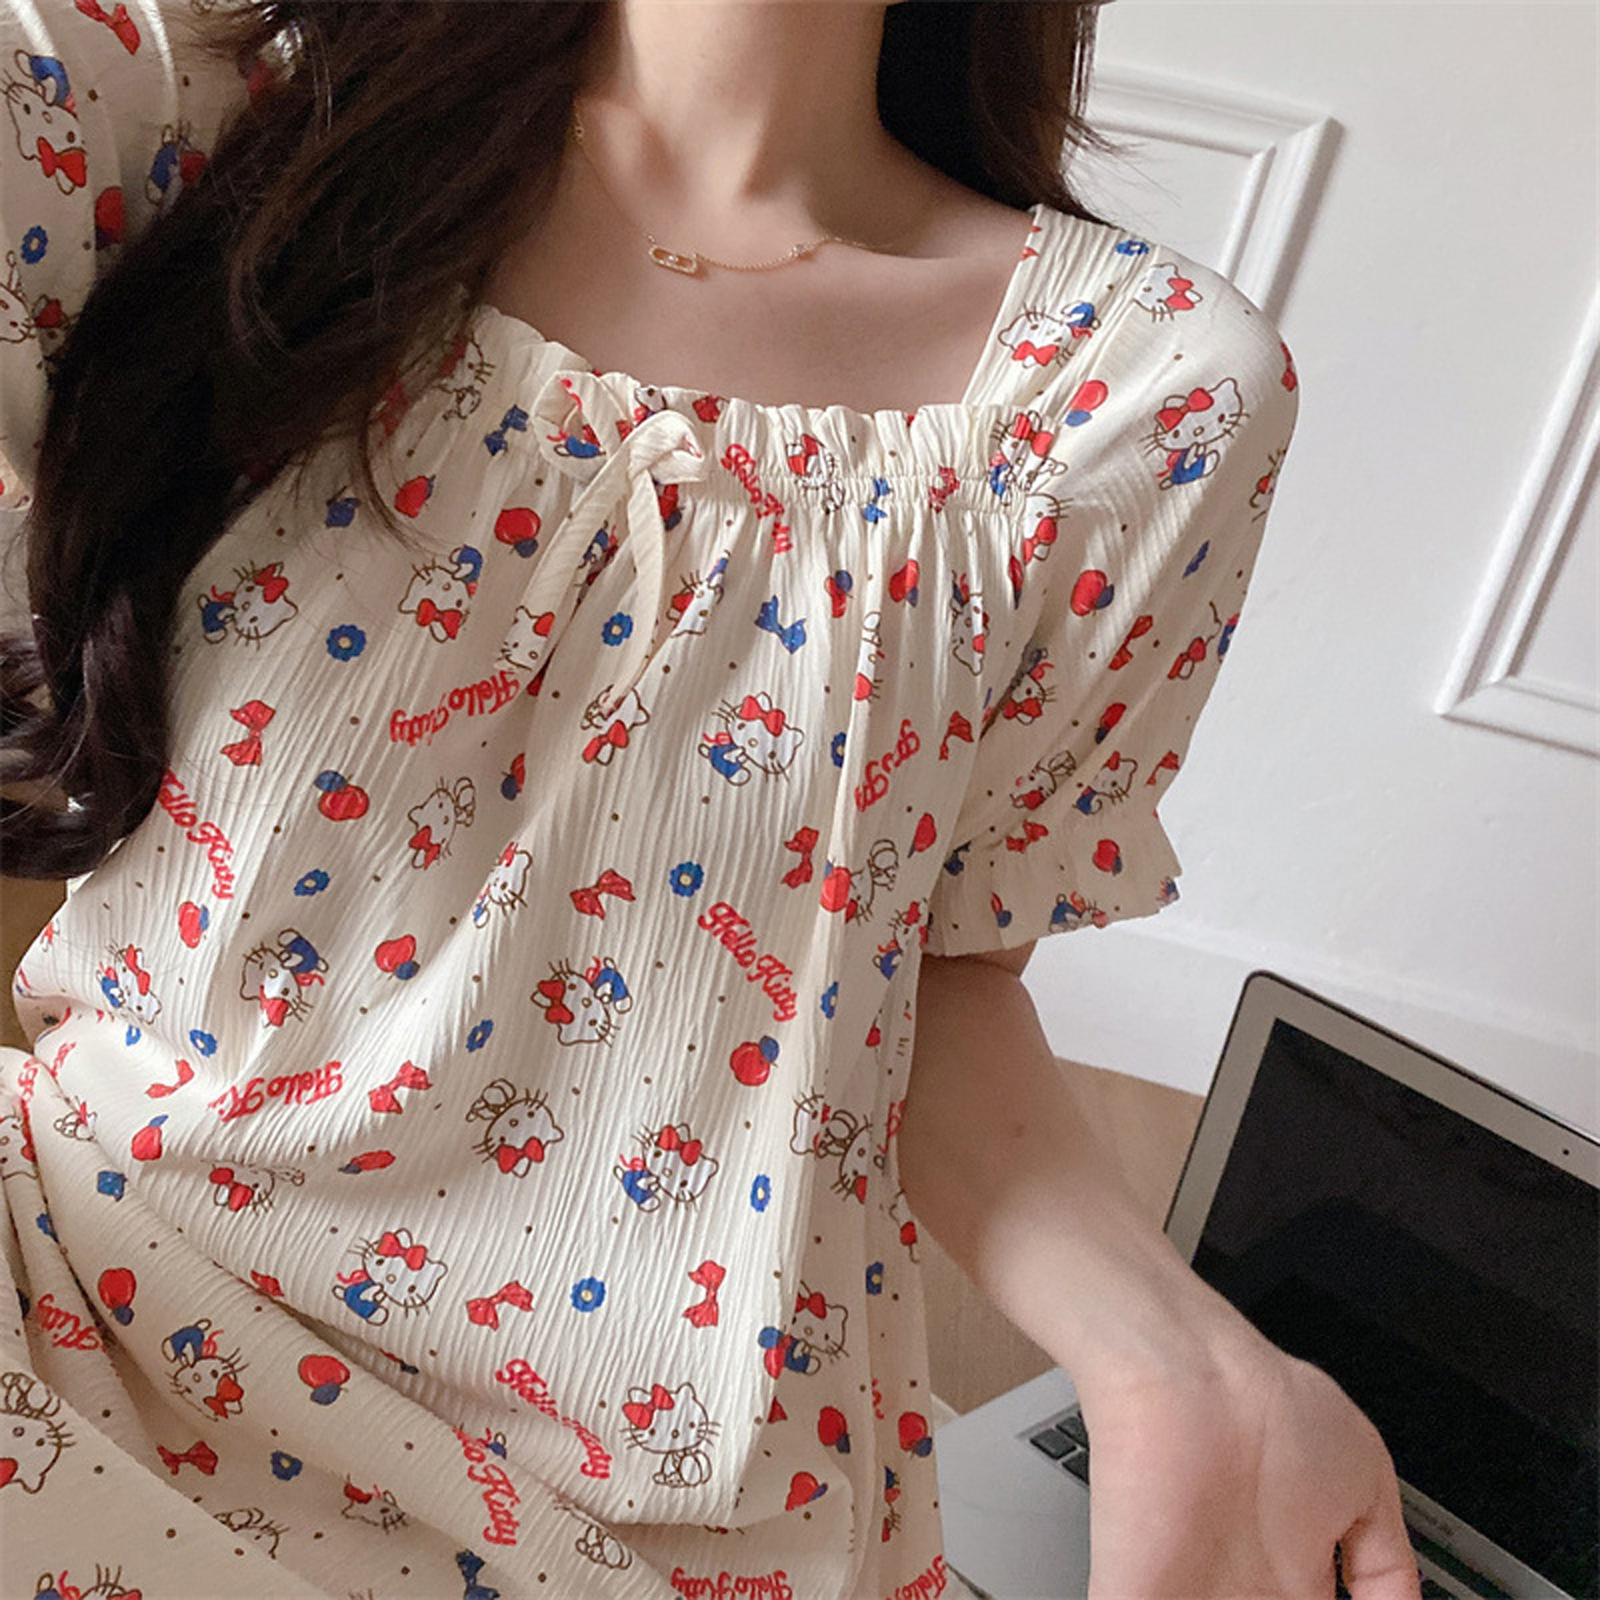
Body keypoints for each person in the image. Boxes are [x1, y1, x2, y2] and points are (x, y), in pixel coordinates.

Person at [0, 0, 1421, 1595]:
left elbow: (913, 983)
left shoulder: (1138, 390)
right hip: (78, 1310)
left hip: (660, 1503)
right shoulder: (183, 111)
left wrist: (1177, 1360)